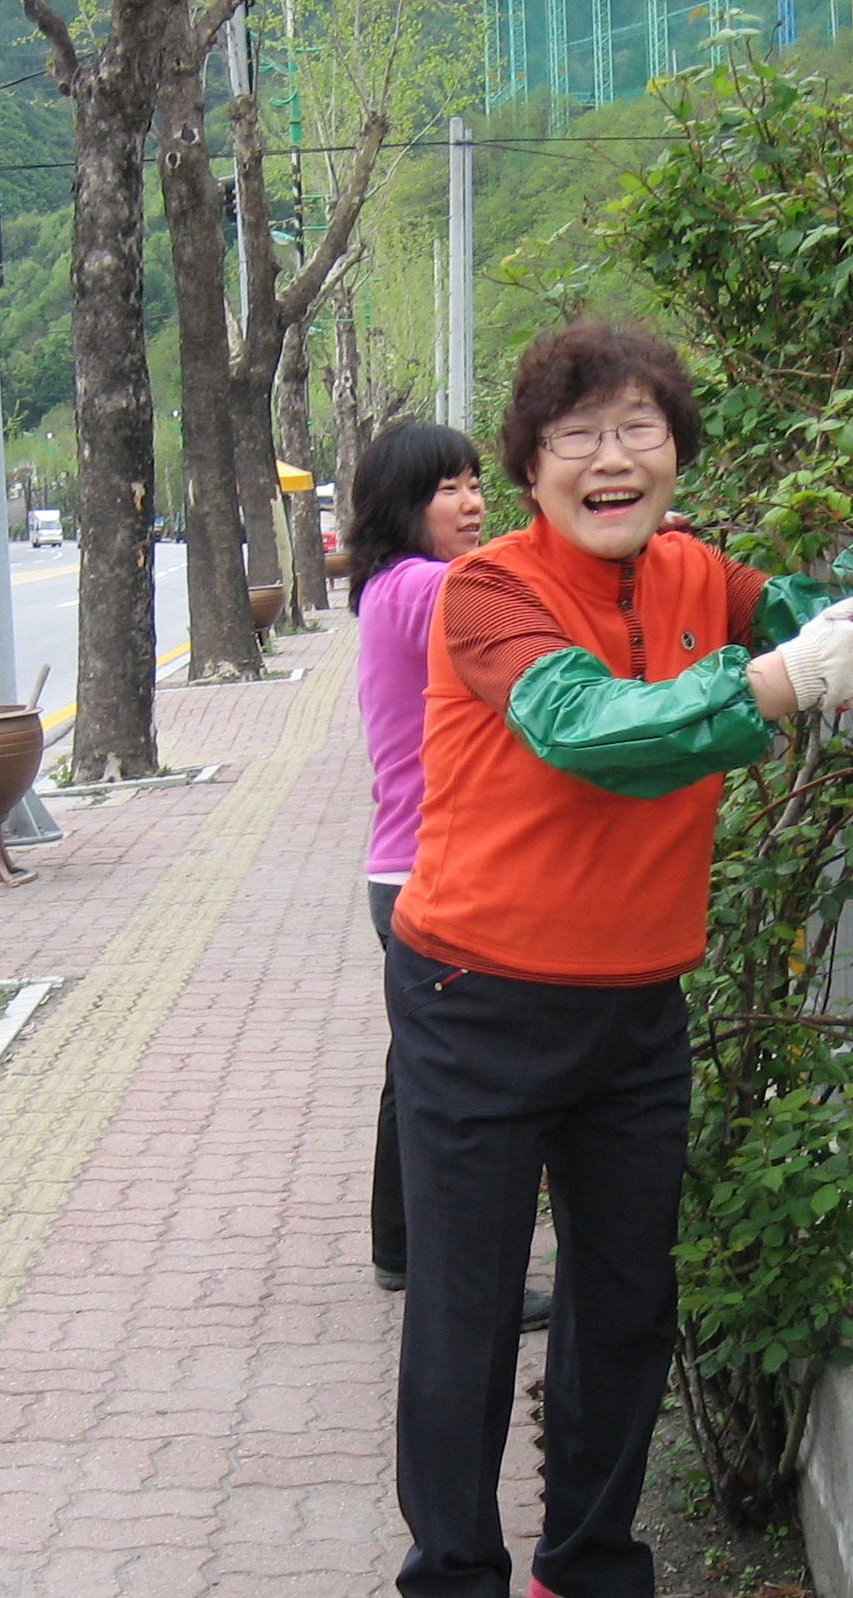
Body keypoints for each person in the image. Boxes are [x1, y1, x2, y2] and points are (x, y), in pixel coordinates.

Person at [388, 317, 853, 1598]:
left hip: (635, 999)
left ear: (674, 452)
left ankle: (591, 1564)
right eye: (576, 438)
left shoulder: (697, 574)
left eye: (638, 431)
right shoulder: (488, 593)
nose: (611, 460)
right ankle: (456, 1593)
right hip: (476, 997)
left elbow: (816, 618)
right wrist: (783, 685)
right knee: (469, 1308)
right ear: (530, 467)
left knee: (626, 1295)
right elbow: (588, 728)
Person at [349, 421, 488, 1300]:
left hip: (401, 865)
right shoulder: (423, 587)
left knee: (418, 1070)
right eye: (449, 489)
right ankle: (459, 1276)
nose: (472, 504)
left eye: (476, 483)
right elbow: (530, 590)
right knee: (459, 1087)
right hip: (430, 870)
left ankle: (400, 1250)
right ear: (404, 505)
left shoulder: (390, 588)